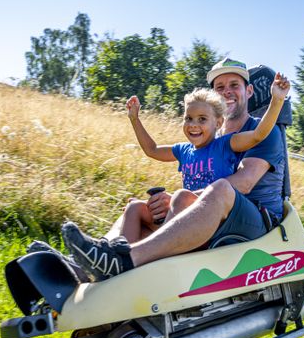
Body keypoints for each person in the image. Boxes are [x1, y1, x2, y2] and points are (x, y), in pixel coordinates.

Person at [62, 57, 289, 282]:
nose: (227, 92)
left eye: (234, 86)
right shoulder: (207, 139)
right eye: (220, 87)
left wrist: (277, 101)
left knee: (217, 189)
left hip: (256, 223)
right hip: (215, 216)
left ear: (249, 91)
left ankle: (127, 260)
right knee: (138, 208)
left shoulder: (262, 132)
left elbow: (243, 183)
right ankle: (93, 264)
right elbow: (152, 150)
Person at [118, 73, 289, 242]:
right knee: (134, 208)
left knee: (179, 198)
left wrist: (277, 101)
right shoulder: (183, 150)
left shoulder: (224, 145)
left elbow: (258, 135)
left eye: (202, 119)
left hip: (209, 218)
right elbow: (152, 149)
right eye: (189, 118)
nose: (194, 125)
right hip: (185, 212)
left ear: (218, 123)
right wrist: (134, 119)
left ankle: (157, 250)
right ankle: (116, 254)